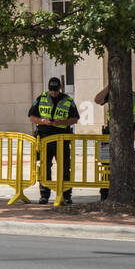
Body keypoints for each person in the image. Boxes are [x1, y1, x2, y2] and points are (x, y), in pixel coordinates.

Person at [29, 77, 79, 205]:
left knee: (65, 166)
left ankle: (66, 195)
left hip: (62, 138)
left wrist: (62, 122)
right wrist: (42, 121)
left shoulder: (67, 100)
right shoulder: (41, 98)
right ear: (48, 87)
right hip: (45, 137)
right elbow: (31, 116)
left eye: (56, 90)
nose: (53, 92)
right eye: (51, 90)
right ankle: (44, 195)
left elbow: (75, 118)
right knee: (45, 166)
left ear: (60, 88)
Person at [94, 85, 135, 201]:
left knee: (126, 163)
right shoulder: (112, 94)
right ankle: (104, 194)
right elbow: (97, 99)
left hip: (127, 135)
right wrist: (109, 87)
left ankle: (126, 191)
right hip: (109, 134)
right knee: (106, 166)